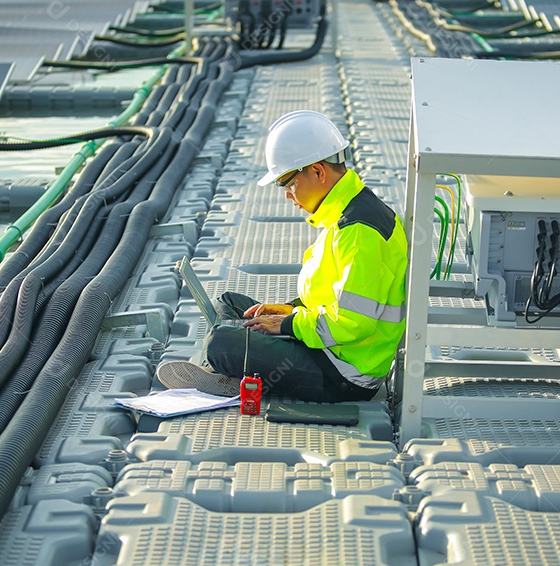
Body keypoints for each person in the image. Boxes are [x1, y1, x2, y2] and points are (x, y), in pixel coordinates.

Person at [157, 110, 407, 403]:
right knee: (228, 303)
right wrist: (289, 310)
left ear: (318, 171)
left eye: (288, 183)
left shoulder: (359, 231)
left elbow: (353, 323)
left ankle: (231, 369)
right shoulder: (346, 213)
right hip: (327, 345)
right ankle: (237, 366)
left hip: (342, 372)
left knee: (220, 344)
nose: (288, 195)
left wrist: (289, 325)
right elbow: (335, 297)